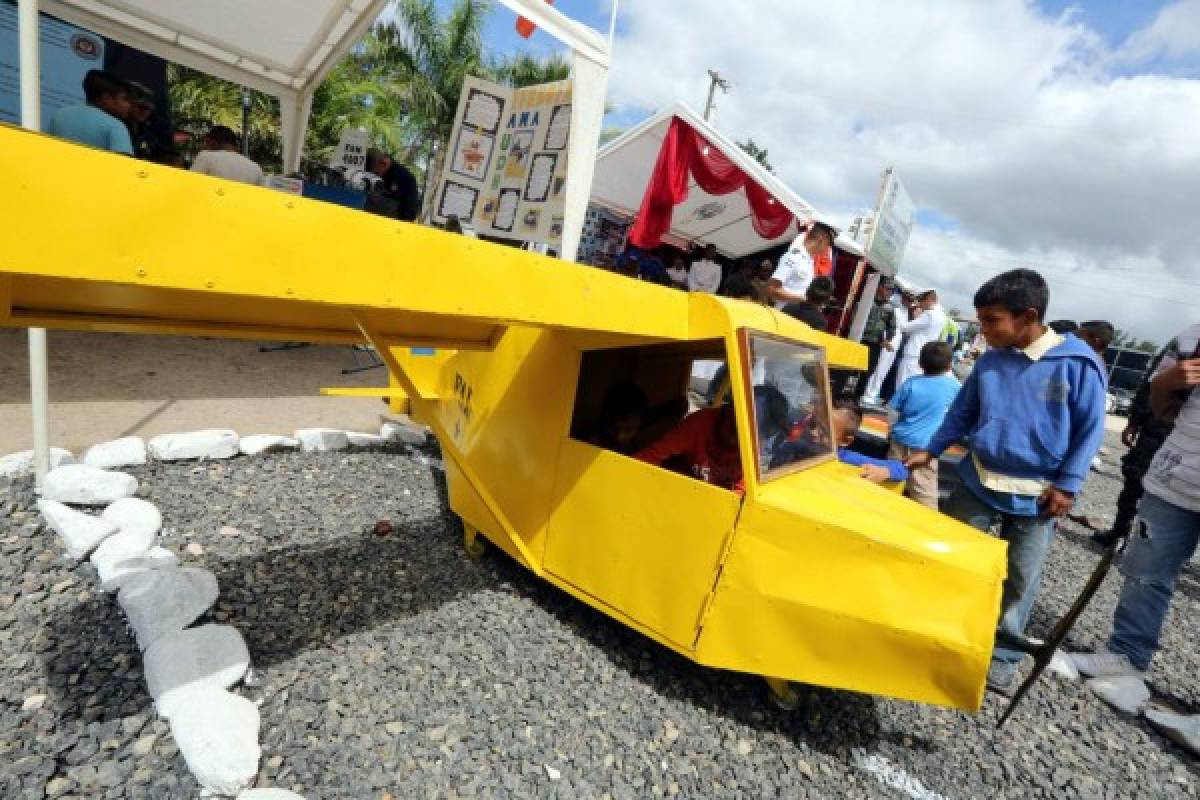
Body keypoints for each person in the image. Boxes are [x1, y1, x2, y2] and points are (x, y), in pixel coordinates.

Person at [904, 268, 1107, 694]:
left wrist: (1068, 484)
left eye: (992, 321)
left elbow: (1089, 431)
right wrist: (933, 448)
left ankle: (1002, 657)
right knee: (955, 557)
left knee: (1019, 578)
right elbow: (963, 411)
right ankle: (939, 633)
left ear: (1028, 315)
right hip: (978, 479)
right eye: (981, 321)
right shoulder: (991, 360)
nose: (984, 330)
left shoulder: (1078, 364)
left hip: (1038, 495)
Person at [1067, 322, 1200, 718]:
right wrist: (1168, 382)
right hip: (1176, 477)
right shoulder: (1190, 336)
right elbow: (1162, 409)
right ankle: (1126, 655)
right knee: (1145, 573)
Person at [1093, 344, 1174, 547]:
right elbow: (1151, 382)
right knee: (1134, 483)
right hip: (1158, 429)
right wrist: (1135, 420)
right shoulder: (1185, 343)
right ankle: (1120, 532)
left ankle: (1155, 546)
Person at [887, 341, 960, 508]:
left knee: (891, 479)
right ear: (949, 365)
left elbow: (893, 410)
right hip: (926, 449)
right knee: (924, 493)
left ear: (920, 363)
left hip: (900, 440)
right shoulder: (955, 387)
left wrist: (891, 430)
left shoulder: (911, 383)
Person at [635, 403, 742, 490]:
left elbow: (745, 493)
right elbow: (652, 454)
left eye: (742, 435)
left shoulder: (755, 451)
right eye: (733, 428)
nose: (734, 439)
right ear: (728, 410)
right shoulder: (699, 423)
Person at [44, 69, 133, 155]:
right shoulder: (116, 127)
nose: (129, 105)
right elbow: (123, 167)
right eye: (124, 99)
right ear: (107, 98)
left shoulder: (59, 115)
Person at [830, 399, 909, 484]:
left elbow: (901, 468)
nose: (814, 432)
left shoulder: (844, 456)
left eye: (825, 432)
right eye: (814, 423)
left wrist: (885, 472)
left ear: (845, 440)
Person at [768, 221, 835, 309]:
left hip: (794, 316)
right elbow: (771, 289)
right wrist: (806, 300)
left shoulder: (809, 261)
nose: (828, 248)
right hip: (782, 315)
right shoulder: (794, 256)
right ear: (820, 238)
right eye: (828, 244)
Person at [862, 290, 911, 406]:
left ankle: (873, 393)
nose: (909, 302)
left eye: (911, 300)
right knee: (878, 367)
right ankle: (868, 393)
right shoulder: (894, 309)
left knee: (884, 368)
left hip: (896, 340)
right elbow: (891, 326)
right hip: (889, 339)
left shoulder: (907, 313)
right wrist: (886, 340)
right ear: (903, 298)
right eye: (908, 299)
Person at [892, 289, 948, 391]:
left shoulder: (929, 314)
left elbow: (904, 327)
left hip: (913, 354)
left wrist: (911, 317)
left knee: (902, 386)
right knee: (915, 387)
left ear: (928, 300)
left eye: (921, 300)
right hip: (924, 354)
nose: (920, 304)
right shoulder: (942, 316)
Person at [858, 279, 898, 398]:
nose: (889, 292)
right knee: (852, 368)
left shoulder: (890, 308)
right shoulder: (867, 301)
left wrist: (888, 340)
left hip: (876, 343)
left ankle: (857, 396)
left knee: (868, 372)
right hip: (861, 339)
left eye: (891, 290)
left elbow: (892, 327)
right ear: (880, 287)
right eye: (887, 288)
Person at [588, 382, 649, 455]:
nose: (619, 437)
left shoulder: (639, 449)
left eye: (628, 430)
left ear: (640, 425)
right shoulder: (587, 439)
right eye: (612, 428)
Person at [191, 126, 264, 185]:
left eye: (205, 143)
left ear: (211, 142)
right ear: (235, 145)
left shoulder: (206, 156)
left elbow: (190, 185)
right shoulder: (256, 168)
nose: (204, 147)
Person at [365, 147, 420, 222]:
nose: (377, 176)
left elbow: (410, 213)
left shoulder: (404, 177)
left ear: (383, 163)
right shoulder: (386, 173)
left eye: (376, 173)